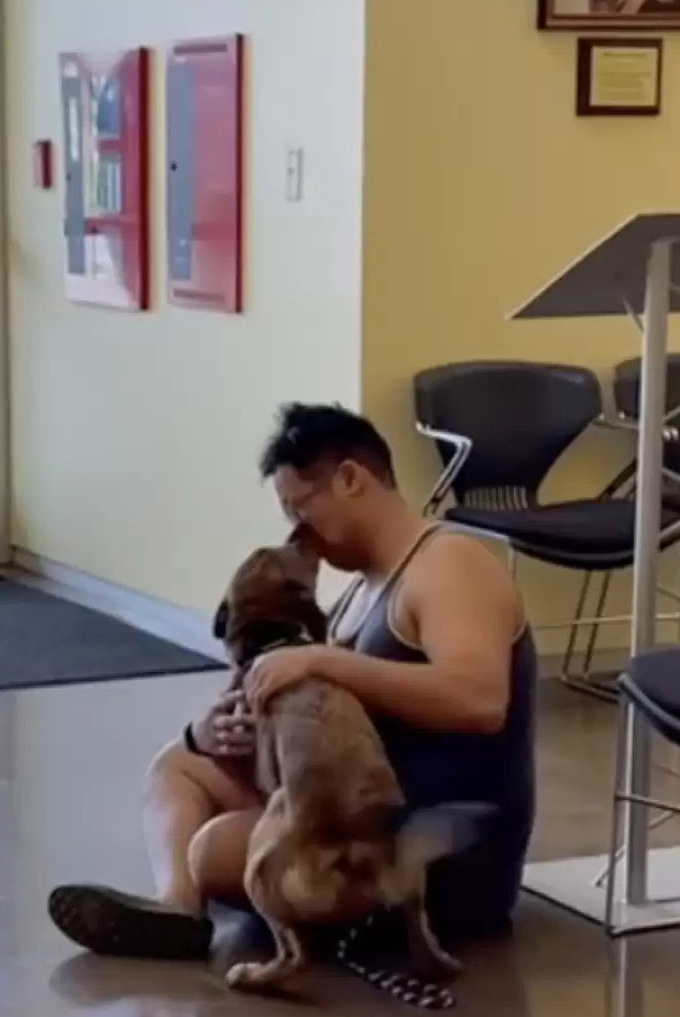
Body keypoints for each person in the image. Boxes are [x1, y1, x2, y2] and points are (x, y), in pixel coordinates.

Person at [48, 403, 537, 961]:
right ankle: (178, 908)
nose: (298, 530)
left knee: (213, 850)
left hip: (433, 853)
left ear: (350, 479)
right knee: (179, 764)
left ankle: (244, 895)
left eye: (301, 507)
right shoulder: (362, 590)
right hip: (352, 811)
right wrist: (229, 731)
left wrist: (324, 662)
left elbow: (479, 701)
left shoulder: (450, 565)